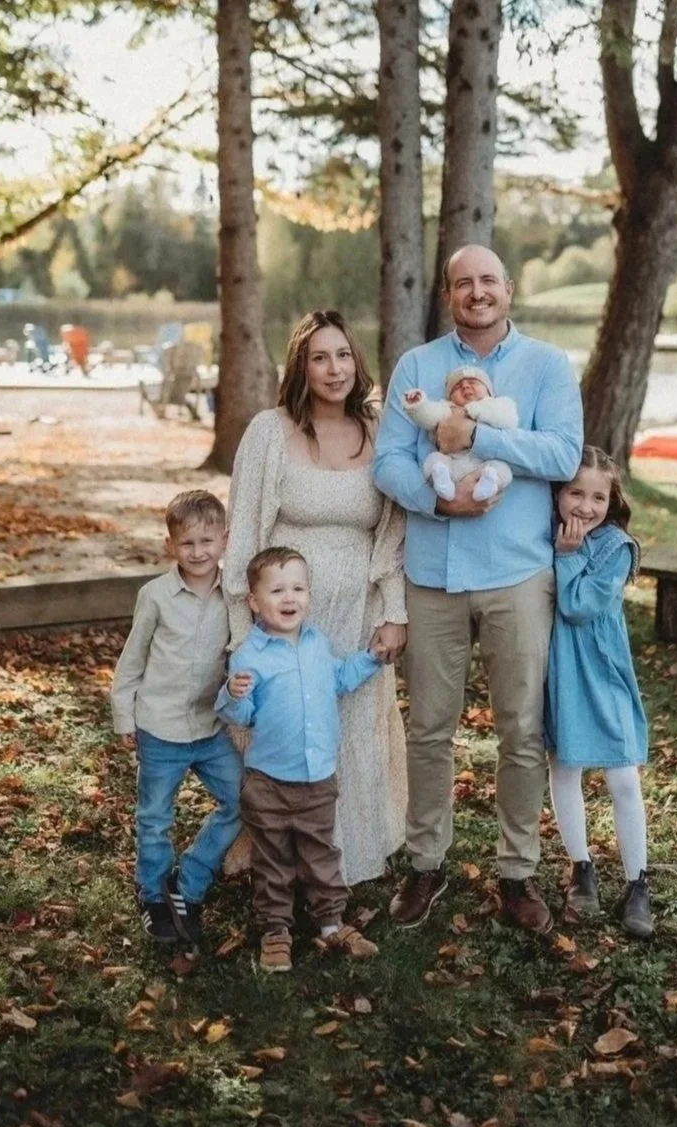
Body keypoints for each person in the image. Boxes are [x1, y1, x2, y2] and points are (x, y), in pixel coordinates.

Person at [373, 244, 583, 935]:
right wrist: (439, 502)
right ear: (448, 294)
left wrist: (479, 438)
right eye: (463, 282)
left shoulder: (547, 366)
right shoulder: (416, 366)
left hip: (517, 575)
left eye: (488, 279)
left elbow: (563, 453)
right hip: (433, 575)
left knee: (521, 729)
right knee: (429, 727)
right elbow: (388, 462)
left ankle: (517, 872)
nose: (477, 292)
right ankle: (425, 862)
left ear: (509, 289)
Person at [223, 310, 407, 886]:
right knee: (287, 732)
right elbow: (244, 534)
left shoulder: (381, 431)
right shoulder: (269, 431)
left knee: (353, 729)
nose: (334, 369)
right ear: (300, 367)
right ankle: (285, 863)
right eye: (320, 357)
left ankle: (351, 857)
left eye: (344, 355)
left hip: (358, 612)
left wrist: (395, 611)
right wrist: (241, 635)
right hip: (283, 615)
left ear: (358, 361)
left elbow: (394, 534)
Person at [216, 547, 385, 972]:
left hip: (318, 778)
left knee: (320, 854)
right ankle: (275, 931)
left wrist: (371, 658)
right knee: (272, 860)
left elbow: (340, 679)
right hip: (268, 782)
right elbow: (242, 716)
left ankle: (330, 923)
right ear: (254, 602)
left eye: (298, 588)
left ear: (309, 594)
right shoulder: (248, 656)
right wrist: (232, 695)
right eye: (277, 591)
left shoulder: (317, 644)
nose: (289, 597)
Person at [111, 490, 248, 948]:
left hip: (210, 728)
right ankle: (153, 896)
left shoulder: (234, 596)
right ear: (170, 545)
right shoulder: (155, 596)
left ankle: (188, 878)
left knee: (243, 800)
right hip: (161, 728)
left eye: (207, 541)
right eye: (187, 543)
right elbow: (132, 660)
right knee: (154, 817)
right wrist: (125, 717)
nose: (198, 552)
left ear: (225, 541)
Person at [545, 446, 653, 940]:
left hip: (602, 669)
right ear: (558, 493)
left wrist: (567, 558)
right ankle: (581, 867)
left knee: (622, 776)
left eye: (598, 497)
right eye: (575, 493)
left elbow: (579, 606)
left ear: (613, 501)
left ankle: (637, 882)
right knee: (564, 764)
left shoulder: (616, 547)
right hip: (561, 668)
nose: (585, 507)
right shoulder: (547, 535)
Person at [402, 364, 518, 502]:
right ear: (450, 398)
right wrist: (418, 405)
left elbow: (510, 419)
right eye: (457, 387)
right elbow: (429, 416)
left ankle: (489, 482)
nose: (465, 387)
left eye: (473, 382)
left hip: (486, 463)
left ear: (488, 391)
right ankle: (441, 479)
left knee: (504, 470)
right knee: (433, 460)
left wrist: (478, 410)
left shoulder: (497, 404)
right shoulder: (448, 409)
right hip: (453, 464)